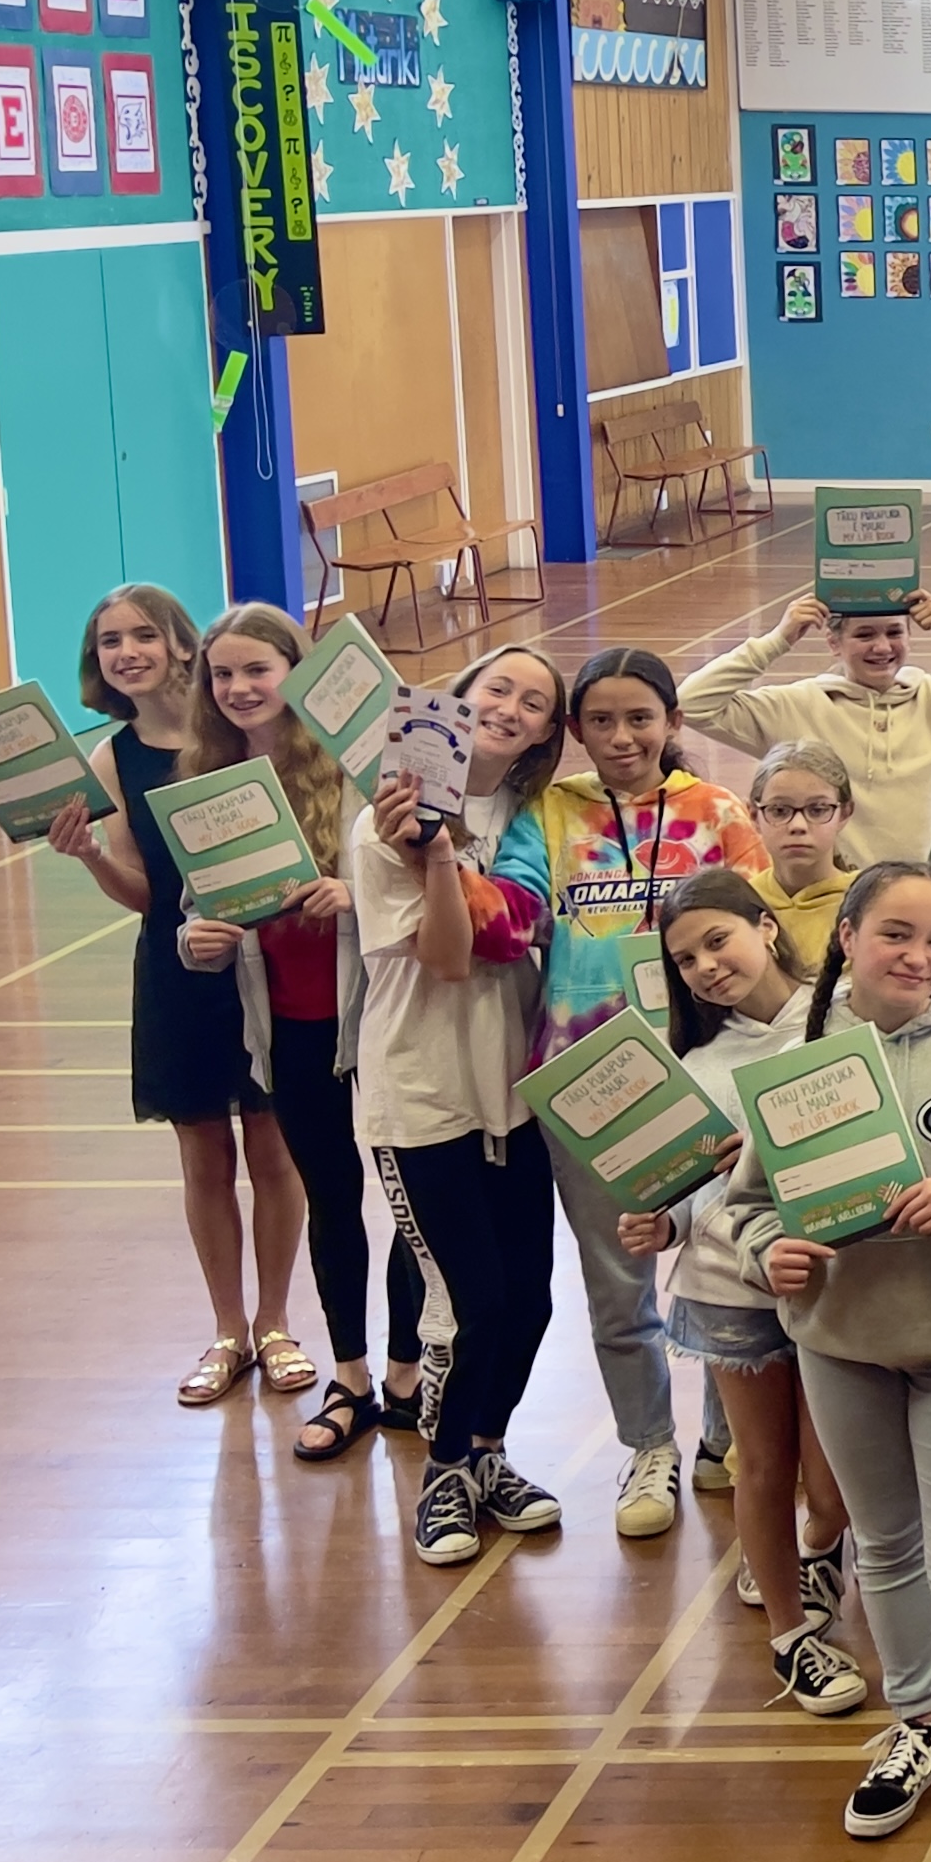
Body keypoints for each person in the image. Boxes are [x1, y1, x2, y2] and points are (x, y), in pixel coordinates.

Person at [715, 863, 931, 1862]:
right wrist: (775, 1258)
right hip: (840, 1346)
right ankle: (919, 1720)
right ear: (846, 936)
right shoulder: (792, 1061)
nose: (917, 954)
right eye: (895, 932)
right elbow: (749, 1206)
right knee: (886, 1550)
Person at [171, 605, 427, 1460]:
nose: (239, 688)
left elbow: (420, 871)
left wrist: (358, 898)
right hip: (290, 1027)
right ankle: (349, 1376)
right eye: (222, 674)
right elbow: (196, 915)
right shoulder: (212, 780)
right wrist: (196, 941)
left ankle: (405, 1372)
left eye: (257, 670)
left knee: (408, 1202)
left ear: (298, 673)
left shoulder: (359, 768)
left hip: (385, 1018)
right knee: (331, 1202)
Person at [50, 586, 312, 1409]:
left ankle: (276, 1323)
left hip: (265, 967)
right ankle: (228, 1329)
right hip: (176, 971)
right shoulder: (110, 758)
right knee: (203, 1158)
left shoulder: (239, 736)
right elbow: (145, 895)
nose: (125, 653)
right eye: (108, 643)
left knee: (274, 1151)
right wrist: (90, 855)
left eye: (141, 636)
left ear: (179, 645)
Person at [536, 648, 768, 1542]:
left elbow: (759, 929)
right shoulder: (548, 814)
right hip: (588, 1082)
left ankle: (721, 1438)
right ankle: (647, 1445)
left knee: (718, 1264)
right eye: (601, 720)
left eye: (641, 717)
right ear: (576, 732)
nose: (623, 737)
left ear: (673, 722)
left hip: (704, 1073)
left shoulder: (718, 811)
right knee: (617, 1277)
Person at [621, 870, 864, 1713]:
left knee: (834, 1490)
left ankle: (822, 1547)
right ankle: (792, 1639)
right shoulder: (694, 1062)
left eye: (717, 941)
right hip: (731, 1287)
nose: (704, 967)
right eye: (684, 958)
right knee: (761, 1467)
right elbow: (686, 1194)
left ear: (766, 927)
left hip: (832, 1281)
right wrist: (665, 1227)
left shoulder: (840, 1024)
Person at [355, 644, 564, 1567]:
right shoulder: (386, 817)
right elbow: (445, 957)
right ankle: (442, 1473)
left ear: (547, 733)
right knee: (474, 1300)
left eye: (534, 702)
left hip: (511, 1094)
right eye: (497, 688)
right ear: (459, 696)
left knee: (530, 1302)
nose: (510, 706)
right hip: (420, 1095)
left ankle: (486, 1452)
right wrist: (437, 856)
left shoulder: (532, 818)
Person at [681, 589, 931, 867]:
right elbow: (690, 702)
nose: (882, 647)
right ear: (834, 643)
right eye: (864, 635)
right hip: (838, 896)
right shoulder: (795, 706)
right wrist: (777, 641)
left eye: (894, 632)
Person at [747, 740, 860, 971]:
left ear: (845, 813)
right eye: (779, 810)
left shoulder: (870, 900)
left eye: (817, 810)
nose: (798, 825)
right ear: (753, 814)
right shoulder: (741, 902)